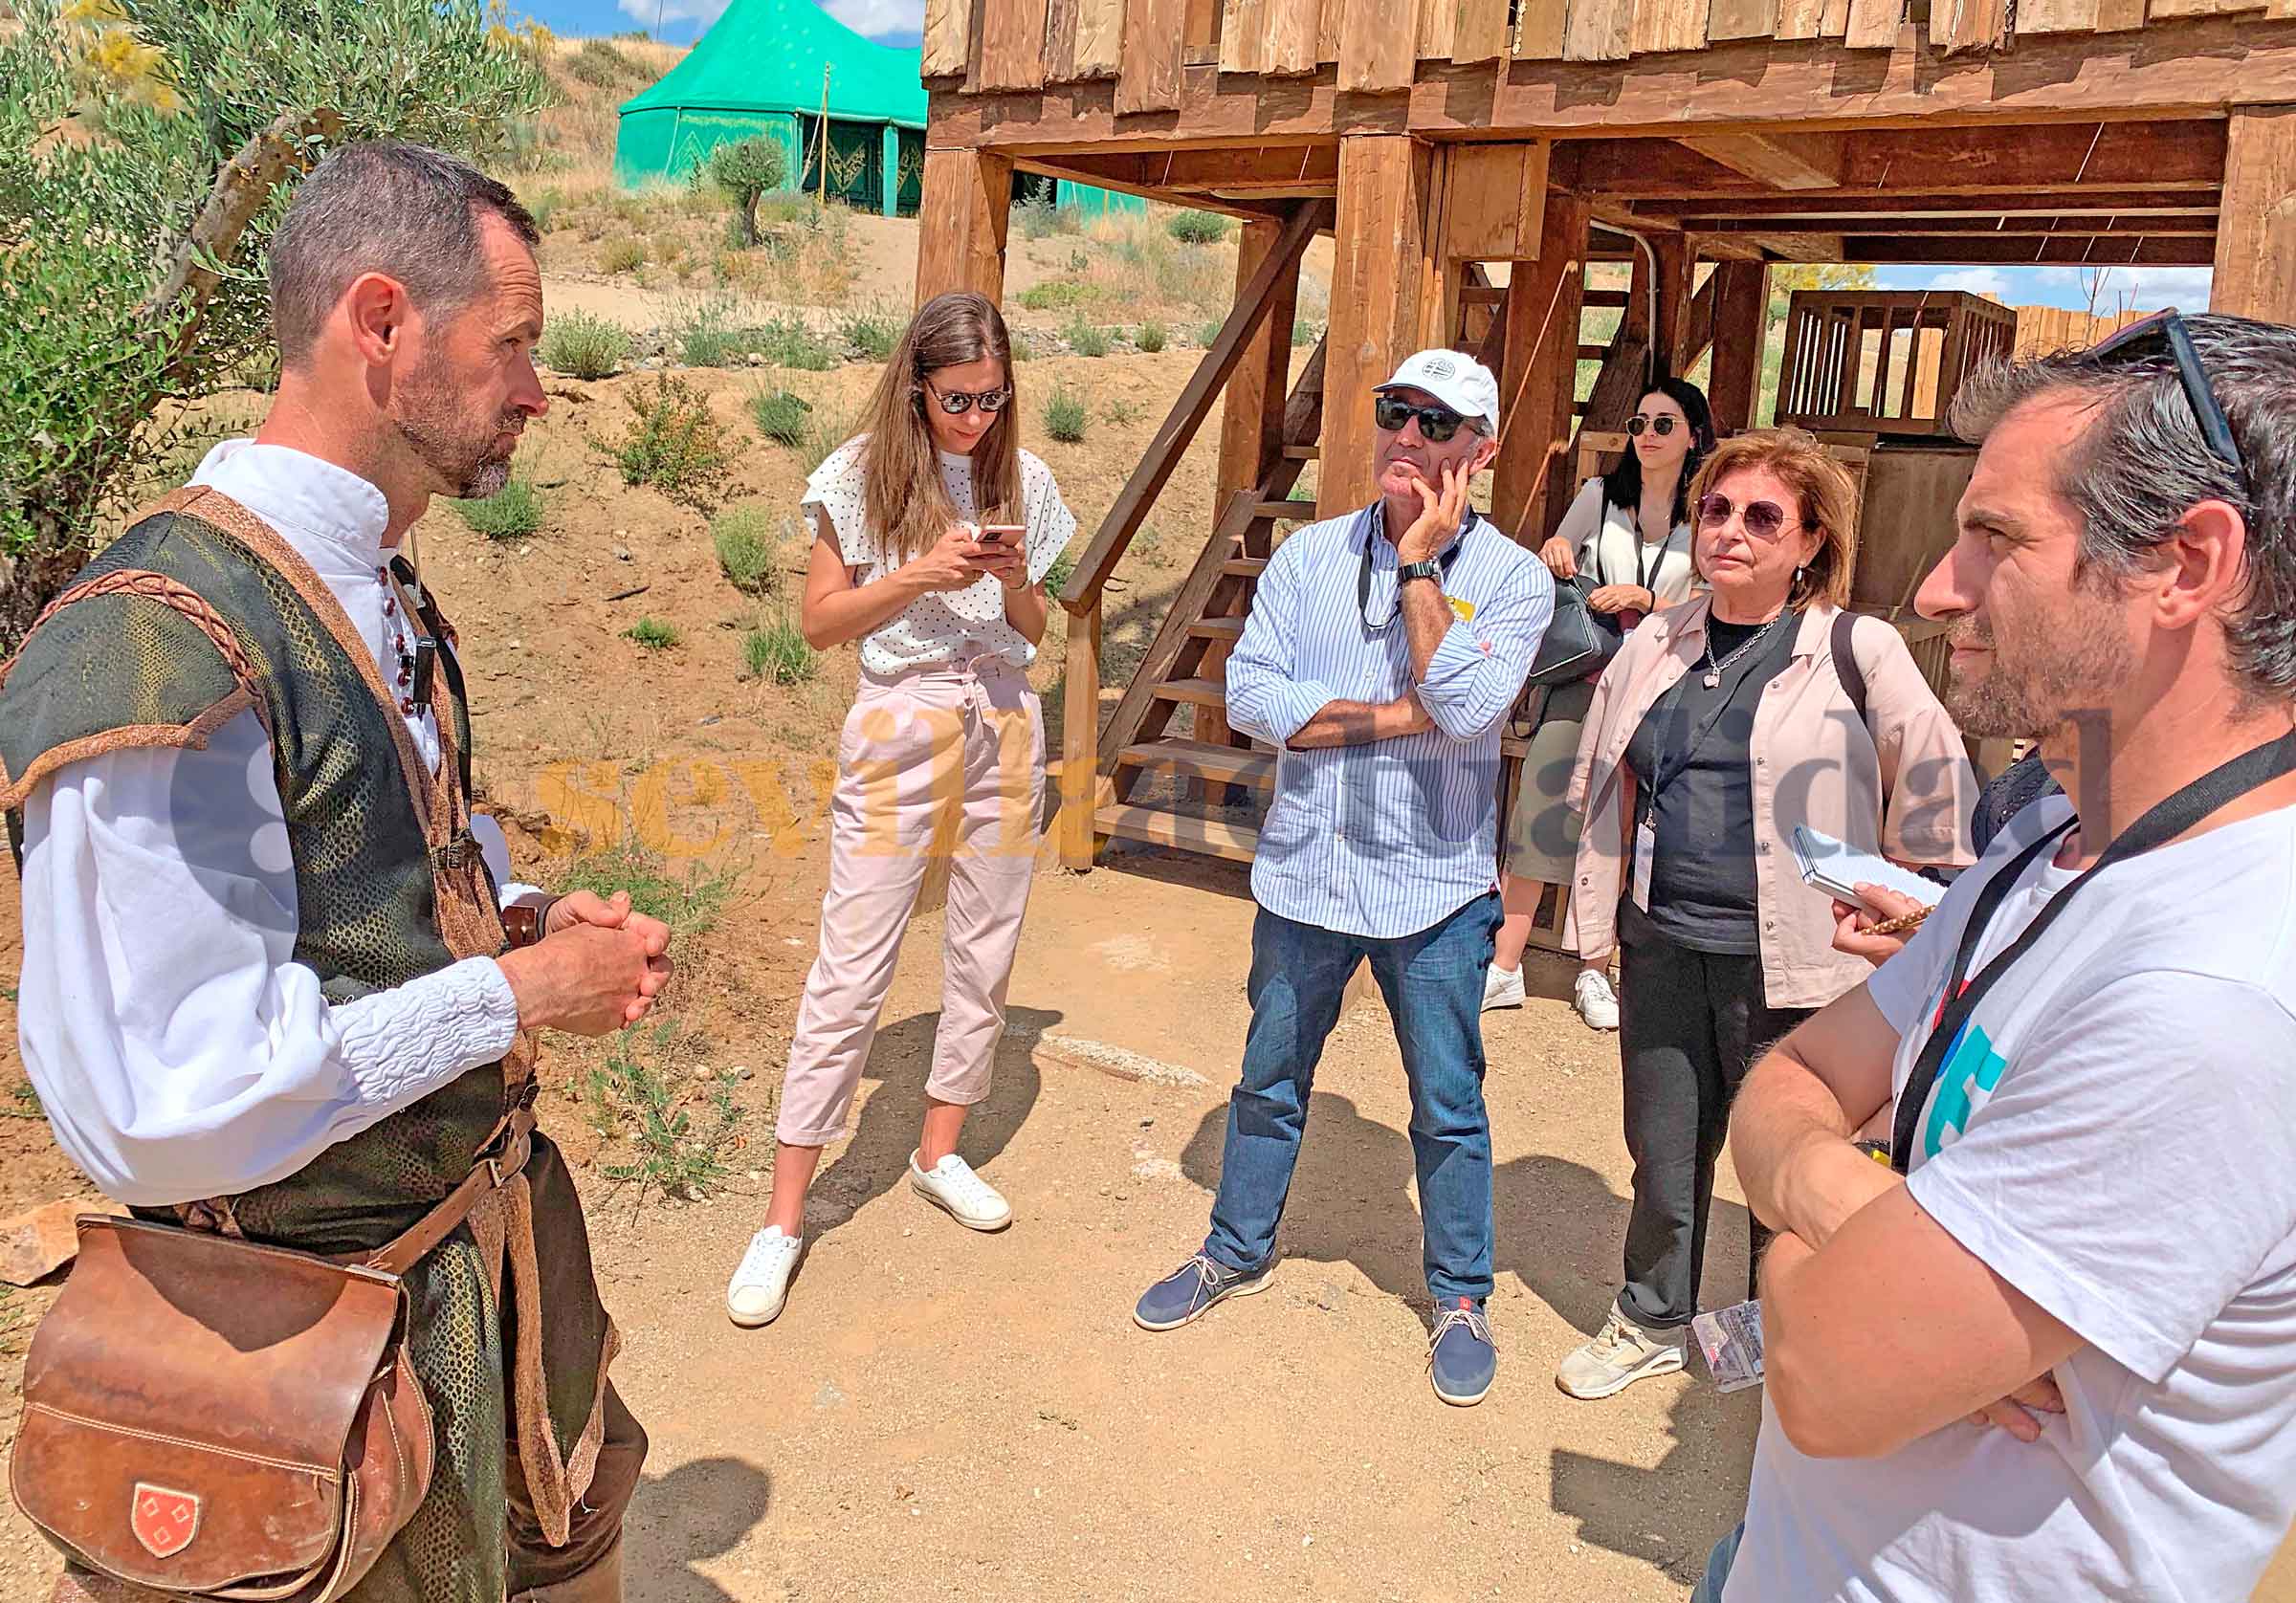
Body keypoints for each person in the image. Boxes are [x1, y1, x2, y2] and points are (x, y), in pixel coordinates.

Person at [0, 142, 668, 1602]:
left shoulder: (372, 578)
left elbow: (366, 892)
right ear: (382, 325)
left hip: (479, 1283)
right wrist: (521, 993)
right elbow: (171, 1110)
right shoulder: (154, 642)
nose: (539, 393)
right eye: (514, 347)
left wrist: (525, 926)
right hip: (298, 1356)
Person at [1711, 313, 2296, 1603]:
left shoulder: (2218, 994)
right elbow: (1788, 1082)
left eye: (1998, 539)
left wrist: (1809, 1196)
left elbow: (1821, 1372)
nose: (1934, 588)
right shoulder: (2050, 859)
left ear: (2189, 565)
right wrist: (1853, 1204)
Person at [1129, 349, 1552, 1407]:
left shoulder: (1512, 578)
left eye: (1437, 424)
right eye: (1394, 412)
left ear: (1480, 452)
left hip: (1436, 886)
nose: (1407, 436)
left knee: (1448, 1105)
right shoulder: (1306, 558)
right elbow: (1256, 699)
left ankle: (1459, 1294)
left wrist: (1419, 569)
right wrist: (1398, 715)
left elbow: (1461, 701)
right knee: (1267, 1080)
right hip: (1306, 877)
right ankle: (1234, 1247)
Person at [1555, 428, 1975, 1402]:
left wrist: (1911, 909)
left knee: (1779, 1154)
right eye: (1715, 509)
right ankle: (1654, 1313)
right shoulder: (1655, 639)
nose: (1730, 530)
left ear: (1809, 542)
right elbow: (1597, 783)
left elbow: (1938, 776)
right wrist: (1595, 918)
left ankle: (1770, 1323)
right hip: (1663, 940)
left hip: (1795, 963)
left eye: (1761, 516)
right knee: (1662, 1141)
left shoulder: (1851, 648)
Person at [724, 291, 1074, 1329]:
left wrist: (1013, 580)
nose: (975, 418)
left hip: (1005, 716)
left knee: (986, 943)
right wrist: (920, 571)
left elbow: (1036, 627)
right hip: (902, 717)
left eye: (993, 399)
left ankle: (938, 1151)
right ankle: (783, 1217)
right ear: (916, 384)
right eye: (957, 398)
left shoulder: (1026, 477)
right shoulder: (858, 471)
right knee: (854, 955)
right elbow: (822, 623)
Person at [1487, 376, 1714, 1026]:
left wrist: (1648, 602)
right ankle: (1505, 965)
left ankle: (1595, 968)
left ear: (1692, 436)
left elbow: (1715, 607)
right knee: (1542, 811)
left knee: (1619, 828)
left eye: (1663, 424)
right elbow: (1550, 574)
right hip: (1584, 677)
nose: (1647, 435)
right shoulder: (1596, 496)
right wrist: (1555, 552)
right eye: (1640, 423)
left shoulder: (1706, 513)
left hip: (1657, 686)